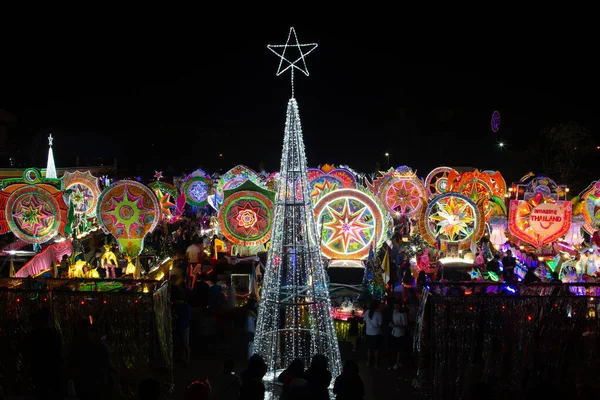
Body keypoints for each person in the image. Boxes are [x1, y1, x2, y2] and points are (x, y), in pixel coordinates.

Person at [172, 287, 192, 364]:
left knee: (185, 343)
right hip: (182, 325)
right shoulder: (181, 306)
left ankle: (187, 359)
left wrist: (177, 317)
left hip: (184, 326)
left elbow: (187, 317)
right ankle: (184, 358)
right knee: (182, 343)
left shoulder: (184, 307)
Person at [389, 300, 408, 370]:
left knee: (399, 349)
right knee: (396, 349)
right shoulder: (394, 312)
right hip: (394, 332)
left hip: (400, 333)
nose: (395, 307)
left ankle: (398, 363)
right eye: (394, 306)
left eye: (397, 306)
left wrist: (396, 325)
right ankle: (398, 362)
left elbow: (405, 325)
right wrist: (392, 324)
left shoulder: (403, 314)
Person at [364, 300, 382, 367]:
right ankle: (376, 364)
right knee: (376, 349)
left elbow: (365, 321)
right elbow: (380, 324)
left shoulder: (366, 312)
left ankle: (368, 362)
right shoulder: (378, 314)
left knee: (369, 348)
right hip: (376, 333)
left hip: (368, 332)